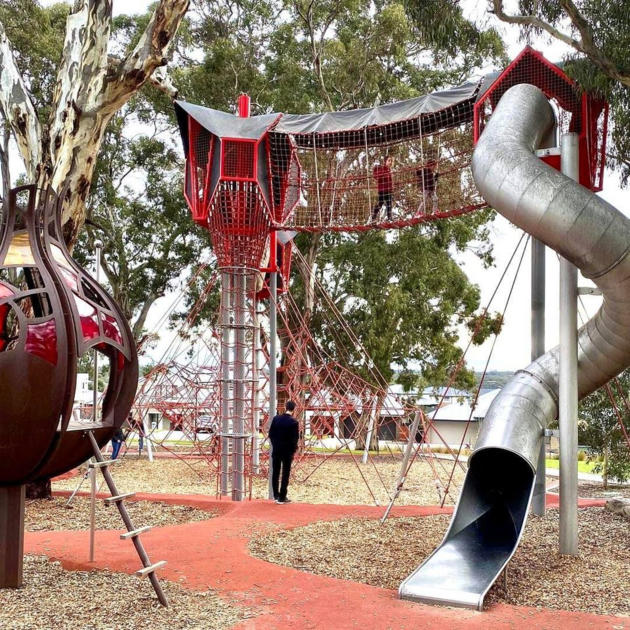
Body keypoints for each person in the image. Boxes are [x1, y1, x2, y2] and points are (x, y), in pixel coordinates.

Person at [269, 400, 300, 504]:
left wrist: (275, 445)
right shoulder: (294, 422)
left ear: (285, 407)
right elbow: (294, 439)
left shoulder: (276, 419)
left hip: (277, 450)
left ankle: (275, 495)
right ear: (294, 409)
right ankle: (282, 497)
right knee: (285, 473)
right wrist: (293, 450)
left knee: (275, 473)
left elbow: (271, 434)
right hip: (287, 452)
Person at [370, 156, 394, 222]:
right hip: (382, 190)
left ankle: (389, 218)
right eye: (389, 161)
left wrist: (391, 189)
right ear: (385, 161)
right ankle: (373, 217)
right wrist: (377, 169)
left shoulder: (389, 170)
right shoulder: (381, 168)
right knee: (380, 204)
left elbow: (390, 181)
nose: (390, 162)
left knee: (389, 204)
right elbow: (376, 176)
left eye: (391, 161)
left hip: (388, 190)